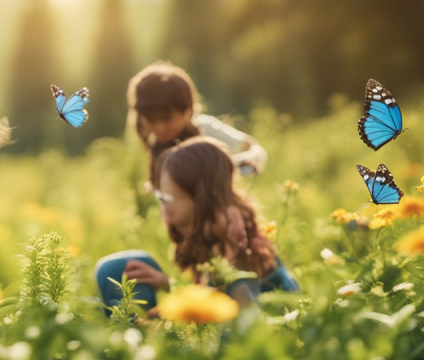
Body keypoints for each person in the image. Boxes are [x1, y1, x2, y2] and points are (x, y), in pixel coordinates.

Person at [94, 138, 298, 315]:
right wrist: (169, 286)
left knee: (113, 270)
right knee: (118, 267)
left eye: (166, 198)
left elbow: (244, 320)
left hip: (273, 337)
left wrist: (176, 315)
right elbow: (212, 294)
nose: (163, 208)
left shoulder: (234, 244)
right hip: (232, 331)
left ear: (200, 201)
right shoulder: (210, 234)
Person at [126, 61, 268, 185]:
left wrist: (241, 162)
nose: (160, 128)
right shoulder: (151, 141)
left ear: (188, 110)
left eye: (166, 119)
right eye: (151, 120)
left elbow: (254, 147)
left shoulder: (205, 129)